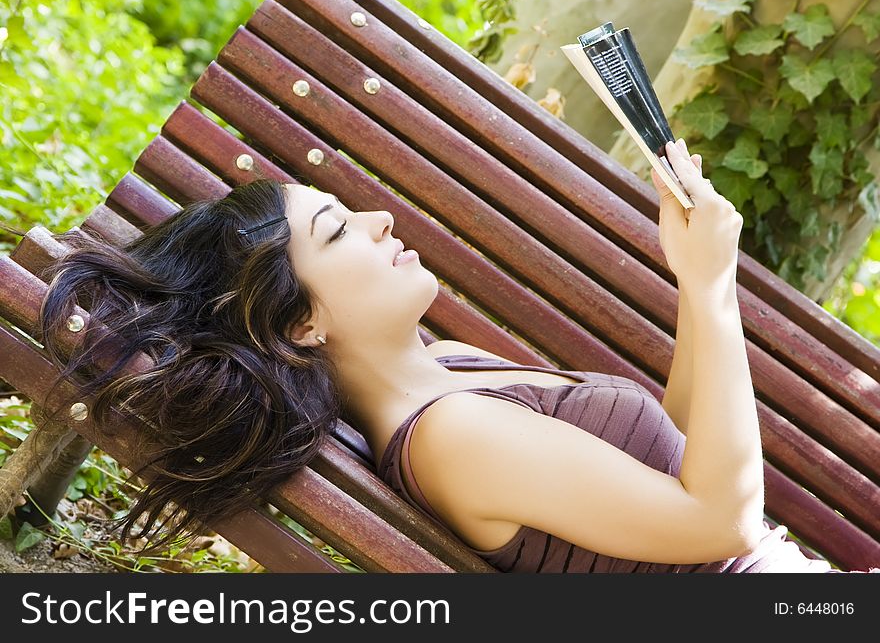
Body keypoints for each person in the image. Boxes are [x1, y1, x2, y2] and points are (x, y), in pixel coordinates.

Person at [38, 138, 877, 572]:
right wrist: (712, 288)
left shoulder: (458, 369)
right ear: (302, 327)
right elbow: (716, 521)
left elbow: (685, 471)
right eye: (338, 231)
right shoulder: (449, 439)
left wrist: (698, 287)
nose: (380, 222)